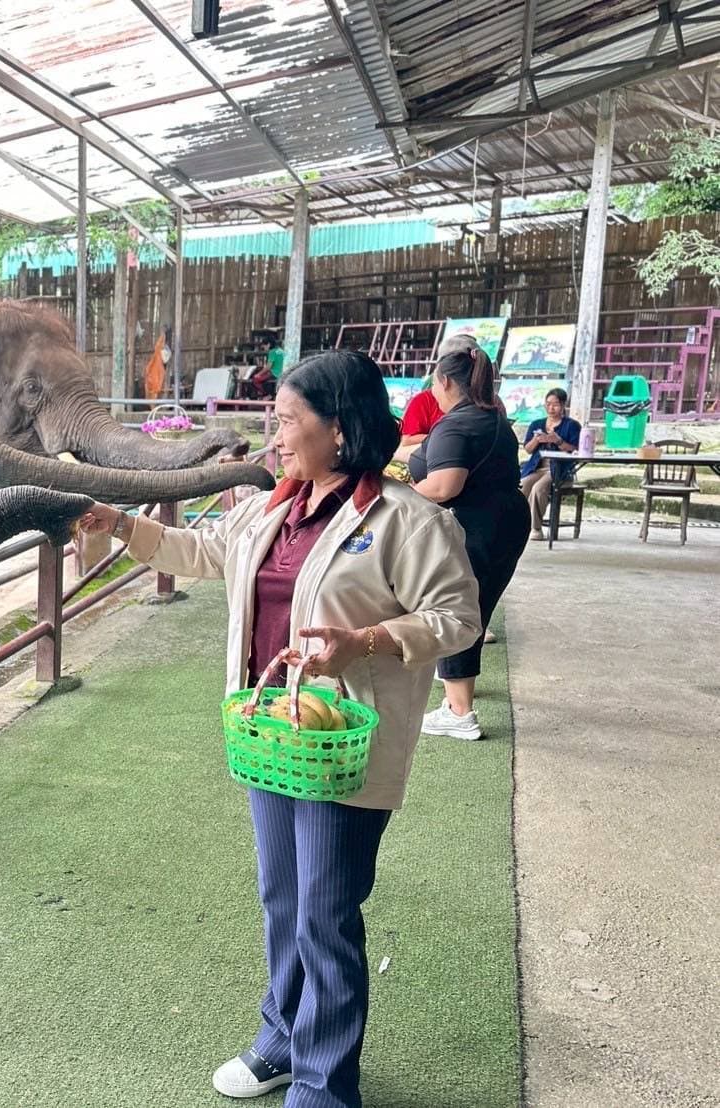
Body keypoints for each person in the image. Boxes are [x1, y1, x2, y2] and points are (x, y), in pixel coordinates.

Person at [76, 351, 480, 1108]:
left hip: (338, 744)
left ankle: (326, 1083)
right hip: (269, 733)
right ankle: (281, 1040)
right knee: (282, 899)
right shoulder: (273, 506)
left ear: (339, 428)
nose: (276, 432)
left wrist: (360, 642)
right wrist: (120, 524)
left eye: (288, 419)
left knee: (324, 910)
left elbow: (457, 617)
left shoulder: (406, 521)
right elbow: (204, 552)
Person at [409, 346, 528, 741]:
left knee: (455, 607)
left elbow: (444, 485)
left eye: (434, 385)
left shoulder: (455, 425)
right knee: (476, 606)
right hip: (507, 520)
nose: (433, 392)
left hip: (475, 526)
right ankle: (458, 695)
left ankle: (460, 713)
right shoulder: (493, 416)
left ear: (444, 381)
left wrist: (402, 493)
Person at [519, 387, 582, 541]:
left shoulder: (572, 425)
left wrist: (558, 441)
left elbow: (575, 449)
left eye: (555, 405)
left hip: (558, 469)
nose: (551, 408)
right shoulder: (537, 424)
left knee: (539, 489)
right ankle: (517, 524)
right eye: (548, 404)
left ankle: (535, 528)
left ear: (563, 405)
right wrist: (537, 440)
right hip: (537, 467)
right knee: (522, 485)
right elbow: (527, 449)